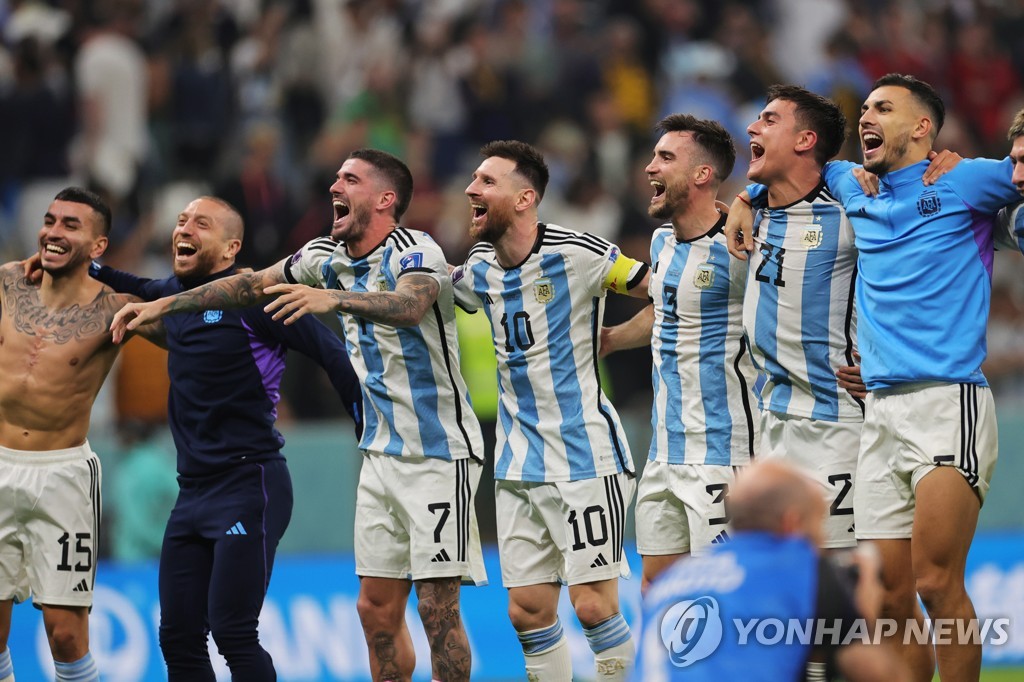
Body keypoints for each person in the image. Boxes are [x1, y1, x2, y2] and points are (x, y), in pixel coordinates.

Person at [109, 149, 487, 682]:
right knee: (374, 611)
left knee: (435, 608)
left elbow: (410, 305)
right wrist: (166, 305)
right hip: (380, 454)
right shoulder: (322, 253)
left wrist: (335, 298)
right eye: (336, 175)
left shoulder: (413, 248)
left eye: (350, 178)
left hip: (438, 450)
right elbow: (246, 286)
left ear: (384, 199)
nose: (335, 183)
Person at [728, 75, 1020, 682]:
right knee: (887, 598)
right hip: (879, 415)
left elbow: (1017, 179)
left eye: (884, 108)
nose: (867, 117)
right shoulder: (848, 183)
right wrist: (742, 199)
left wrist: (990, 164)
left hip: (947, 402)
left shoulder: (964, 179)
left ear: (922, 128)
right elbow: (788, 178)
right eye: (864, 109)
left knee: (937, 584)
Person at [85, 196, 359, 681]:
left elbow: (332, 353)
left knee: (233, 631)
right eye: (180, 221)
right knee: (178, 637)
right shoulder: (174, 297)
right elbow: (137, 285)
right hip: (191, 493)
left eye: (201, 223)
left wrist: (365, 423)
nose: (183, 229)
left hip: (249, 484)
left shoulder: (255, 298)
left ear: (231, 247)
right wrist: (88, 265)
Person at [453, 140, 650, 682]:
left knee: (592, 605)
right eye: (474, 178)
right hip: (516, 464)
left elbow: (667, 292)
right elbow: (448, 292)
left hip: (585, 457)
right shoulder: (477, 267)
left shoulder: (580, 253)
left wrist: (618, 337)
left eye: (487, 181)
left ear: (525, 198)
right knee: (528, 611)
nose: (471, 189)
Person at [0, 187, 162, 682]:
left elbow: (196, 328)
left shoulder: (116, 308)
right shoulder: (7, 281)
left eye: (71, 225)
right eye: (50, 221)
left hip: (63, 475)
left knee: (66, 636)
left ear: (98, 246)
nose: (53, 231)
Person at [600, 114, 758, 589]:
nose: (650, 168)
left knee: (725, 594)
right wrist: (608, 339)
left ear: (702, 175)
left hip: (722, 451)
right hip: (664, 450)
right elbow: (667, 310)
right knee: (659, 594)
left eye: (665, 158)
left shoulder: (742, 246)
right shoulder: (662, 241)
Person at [634, 459, 909, 682]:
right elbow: (880, 675)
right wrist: (865, 614)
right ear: (792, 523)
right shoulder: (799, 570)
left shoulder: (672, 579)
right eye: (817, 521)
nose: (823, 538)